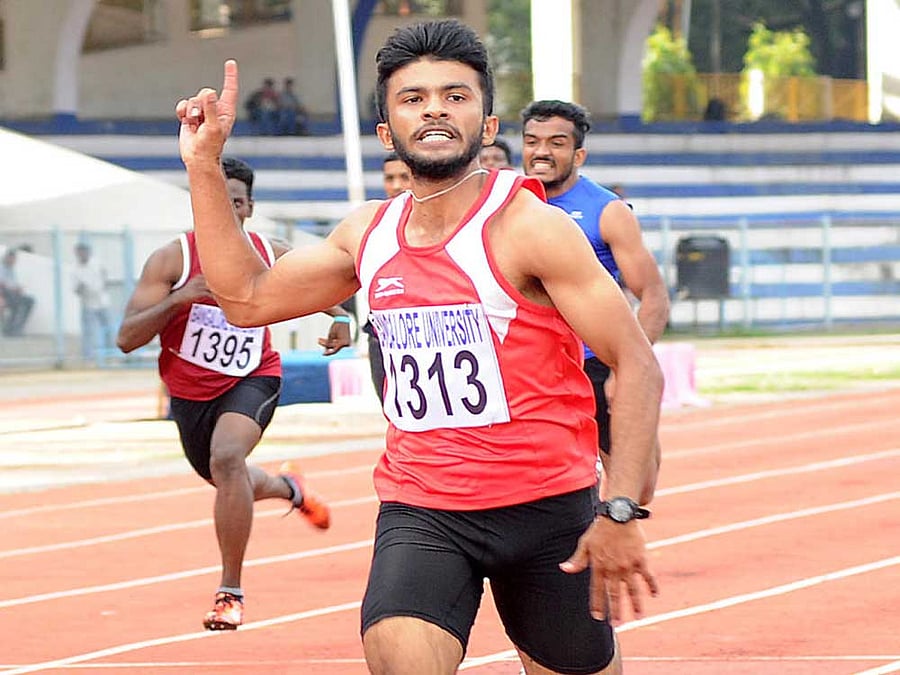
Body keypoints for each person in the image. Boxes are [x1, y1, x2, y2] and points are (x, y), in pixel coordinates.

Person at [176, 18, 662, 675]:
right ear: (388, 133)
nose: (434, 107)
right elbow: (247, 299)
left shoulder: (533, 231)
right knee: (397, 655)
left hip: (549, 511)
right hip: (425, 509)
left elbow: (636, 364)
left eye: (455, 96)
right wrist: (204, 166)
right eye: (413, 98)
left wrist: (622, 508)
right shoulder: (366, 234)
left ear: (487, 126)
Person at [116, 156, 352, 632]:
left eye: (237, 202)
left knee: (227, 461)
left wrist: (344, 321)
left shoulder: (271, 251)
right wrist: (180, 298)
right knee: (229, 477)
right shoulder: (173, 259)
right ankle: (290, 489)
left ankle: (230, 592)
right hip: (189, 394)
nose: (227, 210)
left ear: (249, 208)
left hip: (252, 378)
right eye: (217, 201)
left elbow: (335, 296)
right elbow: (126, 338)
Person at [521, 100, 670, 475]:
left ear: (578, 154)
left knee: (633, 477)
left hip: (593, 361)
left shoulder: (607, 210)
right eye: (532, 141)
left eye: (556, 143)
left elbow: (653, 295)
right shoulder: (507, 204)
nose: (541, 152)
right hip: (530, 367)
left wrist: (628, 367)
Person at [362, 152, 412, 403]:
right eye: (389, 178)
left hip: (430, 337)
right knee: (394, 414)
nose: (396, 186)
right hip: (382, 337)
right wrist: (338, 314)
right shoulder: (370, 225)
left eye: (404, 177)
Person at [72, 242, 113, 363]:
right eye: (80, 251)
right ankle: (88, 357)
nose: (82, 254)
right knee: (88, 331)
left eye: (84, 251)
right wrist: (82, 288)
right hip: (88, 303)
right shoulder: (75, 268)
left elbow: (105, 277)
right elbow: (75, 289)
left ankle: (111, 354)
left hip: (102, 301)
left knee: (108, 328)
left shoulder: (97, 263)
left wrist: (102, 287)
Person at [0, 247, 35, 337]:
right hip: (4, 294)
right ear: (7, 257)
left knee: (29, 301)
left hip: (11, 294)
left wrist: (18, 288)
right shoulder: (1, 268)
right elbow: (2, 284)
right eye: (12, 258)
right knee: (19, 304)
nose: (13, 261)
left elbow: (13, 283)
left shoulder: (11, 269)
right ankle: (12, 330)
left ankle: (15, 329)